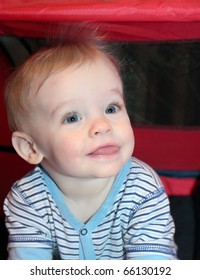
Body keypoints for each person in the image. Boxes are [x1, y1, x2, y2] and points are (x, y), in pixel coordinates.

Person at [3, 28, 177, 260]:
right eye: (72, 117)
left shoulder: (141, 188)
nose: (102, 125)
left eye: (111, 108)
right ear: (31, 147)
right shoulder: (28, 199)